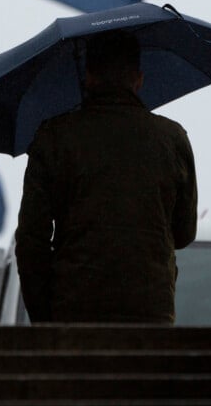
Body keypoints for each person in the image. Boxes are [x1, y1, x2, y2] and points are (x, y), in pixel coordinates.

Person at [15, 29, 198, 324]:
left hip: (74, 313)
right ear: (138, 80)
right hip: (151, 314)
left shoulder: (54, 138)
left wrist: (44, 317)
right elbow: (184, 233)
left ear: (89, 77)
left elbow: (30, 240)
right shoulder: (171, 138)